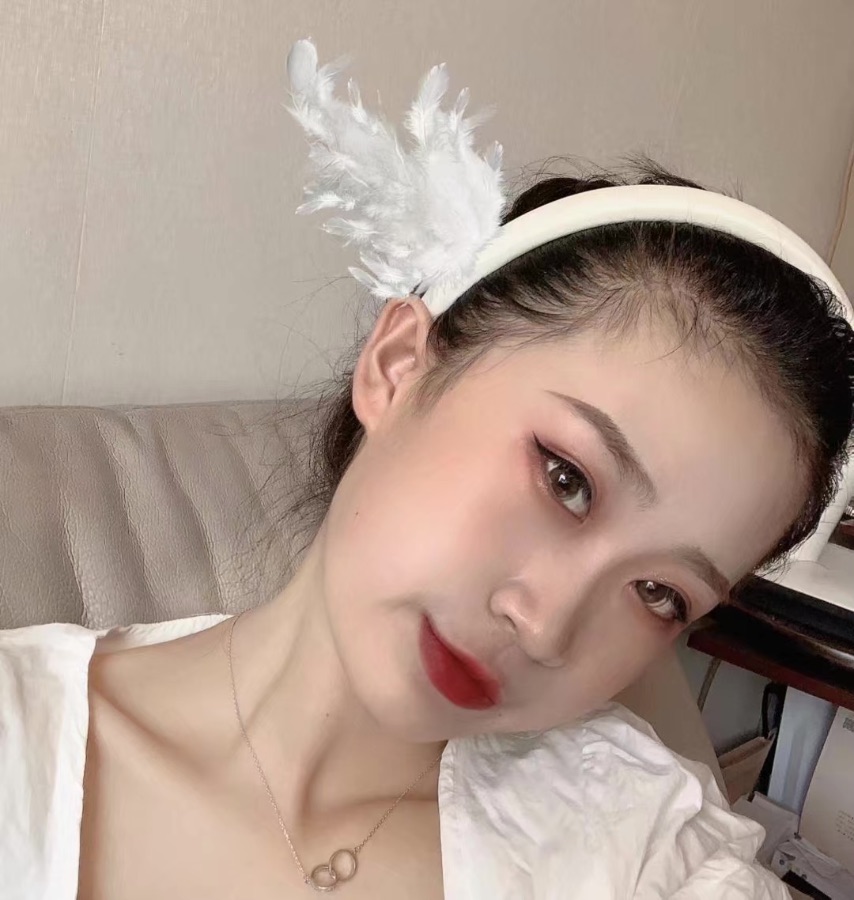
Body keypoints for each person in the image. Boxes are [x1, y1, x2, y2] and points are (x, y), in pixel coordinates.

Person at [2, 38, 852, 900]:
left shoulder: (645, 847)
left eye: (661, 594)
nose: (546, 629)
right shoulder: (21, 749)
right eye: (567, 480)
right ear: (398, 365)